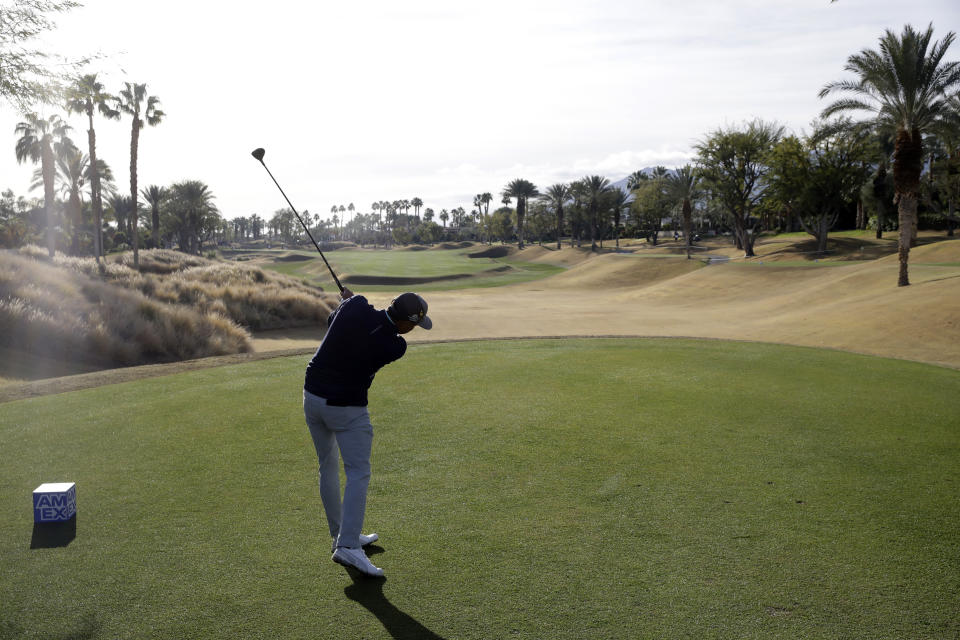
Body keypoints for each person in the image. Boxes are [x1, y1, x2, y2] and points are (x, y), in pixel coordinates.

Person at [303, 287, 432, 577]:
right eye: (413, 324)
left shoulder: (355, 306)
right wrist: (350, 303)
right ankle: (348, 545)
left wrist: (349, 301)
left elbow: (333, 321)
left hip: (312, 396)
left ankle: (341, 535)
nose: (412, 329)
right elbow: (376, 331)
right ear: (405, 322)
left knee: (327, 466)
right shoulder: (396, 347)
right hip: (346, 407)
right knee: (358, 471)